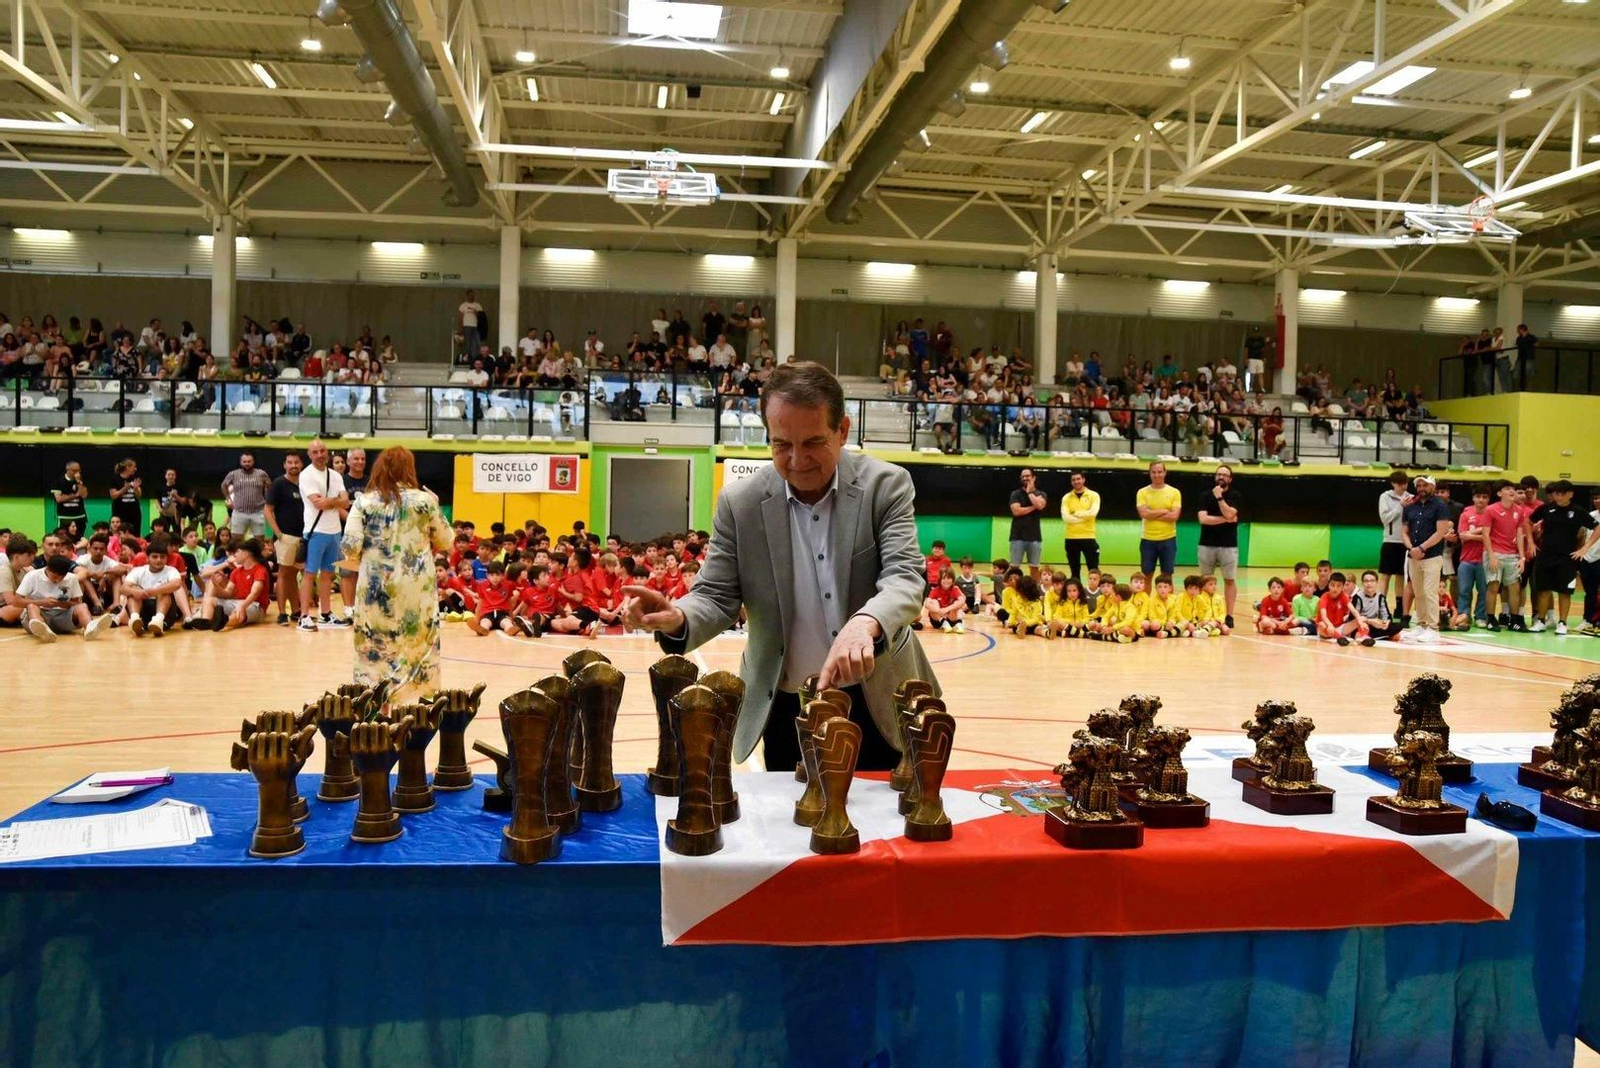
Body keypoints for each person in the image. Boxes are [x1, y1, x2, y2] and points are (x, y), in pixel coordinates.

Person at [622, 361, 934, 773]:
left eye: (813, 442)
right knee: (791, 830)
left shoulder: (886, 486)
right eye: (781, 444)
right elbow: (716, 596)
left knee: (885, 831)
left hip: (877, 699)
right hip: (784, 703)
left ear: (843, 431)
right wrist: (678, 617)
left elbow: (905, 577)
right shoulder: (740, 503)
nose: (797, 459)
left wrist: (867, 622)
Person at [340, 446, 453, 705]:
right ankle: (418, 709)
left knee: (374, 647)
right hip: (417, 591)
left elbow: (349, 547)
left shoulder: (364, 502)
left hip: (375, 590)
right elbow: (446, 541)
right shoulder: (424, 502)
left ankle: (377, 708)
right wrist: (435, 505)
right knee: (417, 645)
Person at [297, 439, 349, 632]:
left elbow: (345, 502)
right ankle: (304, 616)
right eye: (315, 452)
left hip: (334, 531)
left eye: (322, 451)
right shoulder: (306, 475)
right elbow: (318, 503)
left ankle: (325, 614)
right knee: (310, 574)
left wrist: (331, 501)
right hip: (315, 531)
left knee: (328, 574)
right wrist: (336, 501)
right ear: (309, 455)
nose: (320, 455)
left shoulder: (335, 475)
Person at [1528, 480, 1587, 636]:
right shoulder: (1546, 509)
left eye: (1562, 493)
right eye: (1556, 493)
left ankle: (1562, 623)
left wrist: (1584, 548)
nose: (1558, 496)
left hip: (1567, 558)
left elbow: (1597, 527)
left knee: (1564, 591)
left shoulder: (1578, 511)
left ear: (1570, 494)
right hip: (1546, 555)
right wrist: (1531, 543)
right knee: (1543, 590)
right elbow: (1528, 522)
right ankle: (1540, 621)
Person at [1401, 475, 1453, 643]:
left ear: (1433, 486)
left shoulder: (1440, 505)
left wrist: (1422, 548)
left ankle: (1433, 627)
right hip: (1413, 556)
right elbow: (1404, 531)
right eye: (1419, 485)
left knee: (1430, 591)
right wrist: (1411, 548)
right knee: (1418, 592)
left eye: (1425, 485)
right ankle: (1422, 624)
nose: (1422, 488)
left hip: (1432, 556)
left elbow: (1440, 532)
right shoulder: (1410, 506)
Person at [16, 554, 109, 642]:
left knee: (83, 606)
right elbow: (17, 601)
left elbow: (76, 603)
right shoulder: (32, 576)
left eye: (62, 577)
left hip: (63, 616)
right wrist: (43, 602)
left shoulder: (72, 578)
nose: (58, 580)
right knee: (32, 606)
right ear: (48, 569)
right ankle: (43, 630)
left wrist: (59, 604)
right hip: (40, 613)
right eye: (55, 577)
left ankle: (90, 627)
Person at [191, 538, 269, 631]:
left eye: (238, 552)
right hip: (237, 602)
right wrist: (217, 586)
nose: (235, 555)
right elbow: (227, 593)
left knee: (239, 612)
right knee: (210, 600)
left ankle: (222, 622)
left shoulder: (260, 570)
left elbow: (254, 593)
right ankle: (206, 622)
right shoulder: (236, 572)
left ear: (246, 554)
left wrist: (243, 606)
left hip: (255, 605)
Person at [1196, 464, 1240, 625]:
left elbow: (1230, 512)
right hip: (1206, 544)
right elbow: (1203, 519)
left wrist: (1220, 498)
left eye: (1225, 475)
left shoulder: (1235, 495)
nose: (1221, 477)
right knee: (1204, 580)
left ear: (1230, 479)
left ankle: (1229, 615)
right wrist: (1226, 520)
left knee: (1229, 580)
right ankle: (1204, 613)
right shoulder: (1205, 496)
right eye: (1219, 474)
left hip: (1228, 546)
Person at [264, 454, 304, 626]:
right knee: (283, 573)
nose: (293, 465)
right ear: (284, 465)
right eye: (290, 462)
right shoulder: (278, 484)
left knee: (294, 574)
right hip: (285, 536)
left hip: (304, 536)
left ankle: (296, 611)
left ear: (301, 464)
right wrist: (278, 533)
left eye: (296, 462)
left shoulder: (306, 483)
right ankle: (281, 613)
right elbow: (267, 510)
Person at [1455, 482, 1493, 629]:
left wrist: (1473, 534)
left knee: (1483, 591)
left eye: (1484, 497)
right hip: (1466, 559)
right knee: (1464, 590)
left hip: (1484, 559)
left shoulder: (1492, 514)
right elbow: (1462, 536)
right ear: (1473, 498)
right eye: (1478, 496)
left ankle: (1480, 616)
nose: (1481, 500)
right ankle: (1464, 614)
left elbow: (1491, 537)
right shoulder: (1466, 514)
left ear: (1488, 499)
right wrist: (1482, 532)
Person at [1136, 461, 1181, 581]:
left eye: (1160, 472)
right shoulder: (1142, 492)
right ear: (1149, 473)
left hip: (1168, 539)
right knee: (1146, 576)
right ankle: (1145, 600)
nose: (1157, 475)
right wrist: (1165, 511)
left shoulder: (1174, 492)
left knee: (1167, 576)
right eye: (1154, 472)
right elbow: (1143, 514)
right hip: (1148, 540)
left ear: (1165, 473)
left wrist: (1152, 513)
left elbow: (1174, 516)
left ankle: (1167, 600)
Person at [337, 447, 369, 622]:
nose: (359, 462)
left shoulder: (371, 482)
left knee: (364, 572)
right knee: (348, 572)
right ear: (348, 461)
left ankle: (361, 607)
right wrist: (354, 523)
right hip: (348, 534)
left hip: (369, 534)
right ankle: (348, 608)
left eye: (362, 459)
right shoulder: (340, 481)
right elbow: (337, 506)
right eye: (356, 459)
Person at [1377, 470, 1412, 617]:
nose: (1403, 487)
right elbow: (1385, 518)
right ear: (1393, 484)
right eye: (1400, 484)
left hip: (1405, 542)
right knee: (1385, 575)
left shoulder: (1411, 498)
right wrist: (1400, 507)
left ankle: (1399, 607)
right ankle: (1380, 605)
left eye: (1405, 483)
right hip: (1390, 541)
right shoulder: (1385, 497)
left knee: (1401, 575)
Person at [1060, 471, 1100, 583]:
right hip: (1071, 538)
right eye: (1073, 480)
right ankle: (1076, 595)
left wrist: (1076, 513)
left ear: (1083, 480)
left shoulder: (1094, 495)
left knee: (1093, 569)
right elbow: (1066, 518)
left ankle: (1096, 594)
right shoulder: (1066, 498)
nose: (1076, 482)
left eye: (1078, 479)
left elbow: (1093, 513)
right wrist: (1084, 515)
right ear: (1071, 482)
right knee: (1074, 570)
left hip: (1088, 537)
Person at [1007, 469, 1047, 579]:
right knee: (1014, 567)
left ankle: (1033, 593)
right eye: (1023, 476)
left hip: (1034, 537)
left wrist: (1029, 492)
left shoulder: (1041, 494)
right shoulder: (1015, 494)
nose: (1025, 478)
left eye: (1027, 476)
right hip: (1017, 536)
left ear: (1034, 477)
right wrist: (1034, 506)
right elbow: (1016, 511)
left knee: (1034, 567)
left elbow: (1040, 505)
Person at [222, 452, 272, 537]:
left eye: (249, 461)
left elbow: (269, 485)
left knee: (259, 540)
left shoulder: (261, 473)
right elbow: (224, 485)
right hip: (239, 512)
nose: (247, 464)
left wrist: (267, 499)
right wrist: (228, 499)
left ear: (253, 462)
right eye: (244, 461)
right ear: (240, 462)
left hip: (258, 512)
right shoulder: (233, 474)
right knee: (236, 540)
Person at [1576, 486, 1600, 637]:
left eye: (1599, 497)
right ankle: (1588, 619)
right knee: (1589, 592)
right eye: (1595, 498)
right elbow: (1582, 535)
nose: (1597, 501)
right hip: (1588, 558)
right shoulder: (1590, 515)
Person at [50, 461, 88, 541]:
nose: (77, 473)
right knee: (63, 538)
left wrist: (79, 482)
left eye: (78, 470)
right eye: (74, 470)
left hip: (79, 515)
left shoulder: (80, 480)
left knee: (79, 538)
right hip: (65, 516)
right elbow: (59, 499)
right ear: (68, 469)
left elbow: (84, 495)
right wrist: (75, 495)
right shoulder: (58, 481)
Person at [109, 458, 143, 537]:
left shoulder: (135, 478)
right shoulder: (115, 479)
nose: (135, 469)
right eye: (134, 467)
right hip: (120, 511)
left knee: (135, 533)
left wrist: (135, 488)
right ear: (127, 467)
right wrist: (124, 489)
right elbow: (113, 496)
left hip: (134, 512)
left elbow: (139, 496)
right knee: (120, 533)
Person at [457, 289, 484, 364]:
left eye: (473, 295)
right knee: (467, 343)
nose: (472, 297)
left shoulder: (477, 305)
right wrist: (460, 328)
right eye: (470, 295)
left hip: (476, 327)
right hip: (466, 326)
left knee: (477, 343)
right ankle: (468, 359)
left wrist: (476, 312)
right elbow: (460, 317)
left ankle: (476, 359)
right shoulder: (463, 305)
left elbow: (481, 317)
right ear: (467, 296)